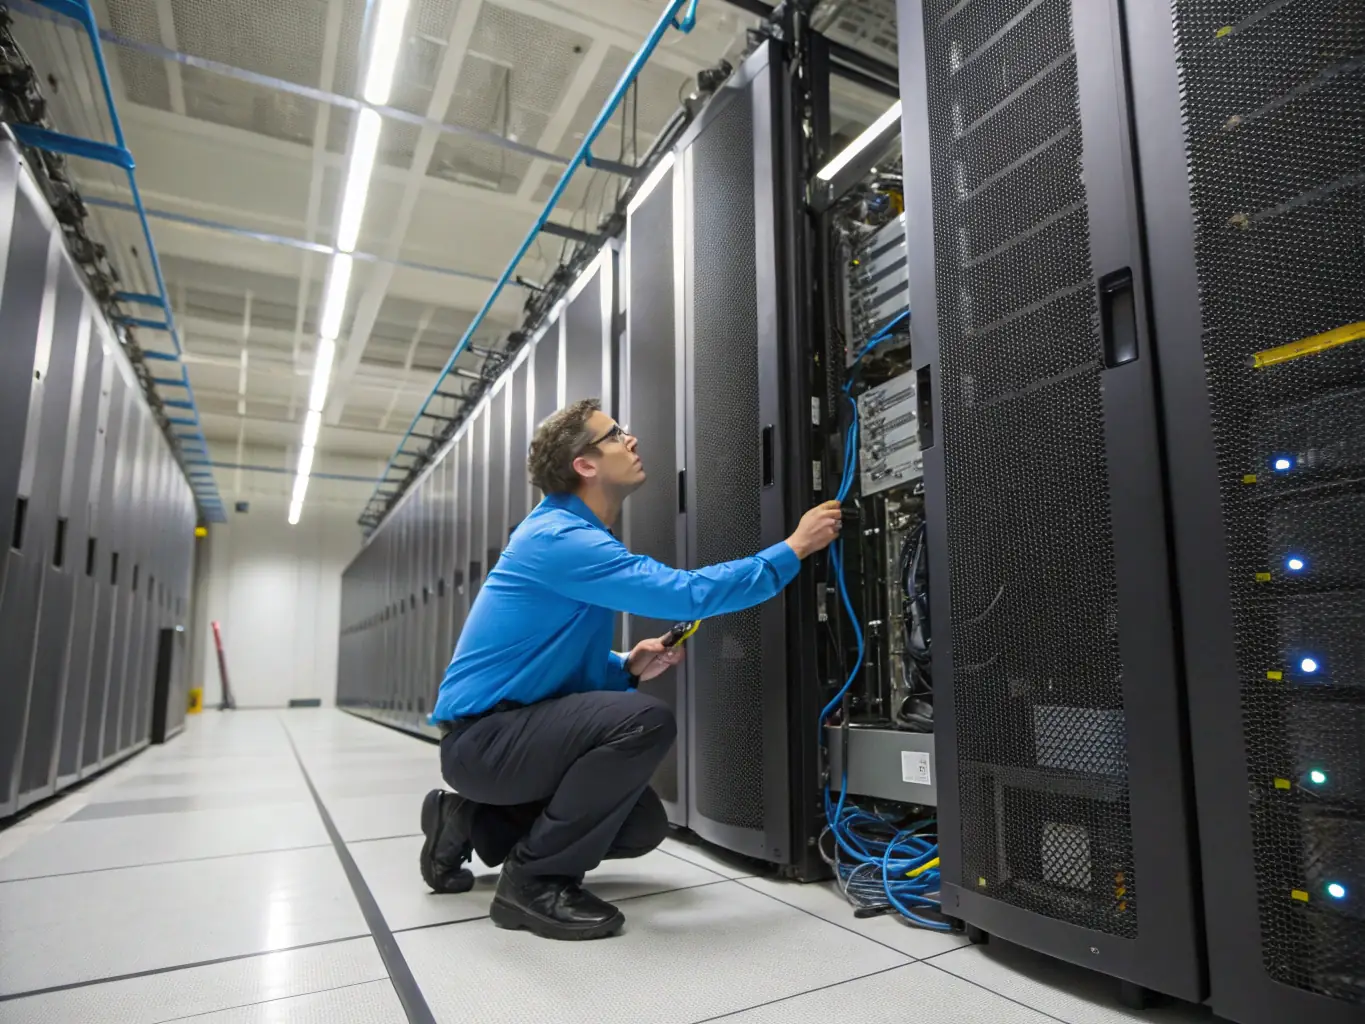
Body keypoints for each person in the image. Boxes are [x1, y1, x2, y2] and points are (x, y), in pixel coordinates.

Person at [419, 398, 842, 940]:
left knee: (639, 825)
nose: (632, 439)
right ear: (585, 465)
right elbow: (686, 594)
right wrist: (793, 548)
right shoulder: (561, 540)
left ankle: (467, 820)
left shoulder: (573, 535)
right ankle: (532, 883)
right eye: (616, 434)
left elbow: (547, 664)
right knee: (643, 720)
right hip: (483, 741)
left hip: (505, 739)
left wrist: (626, 664)